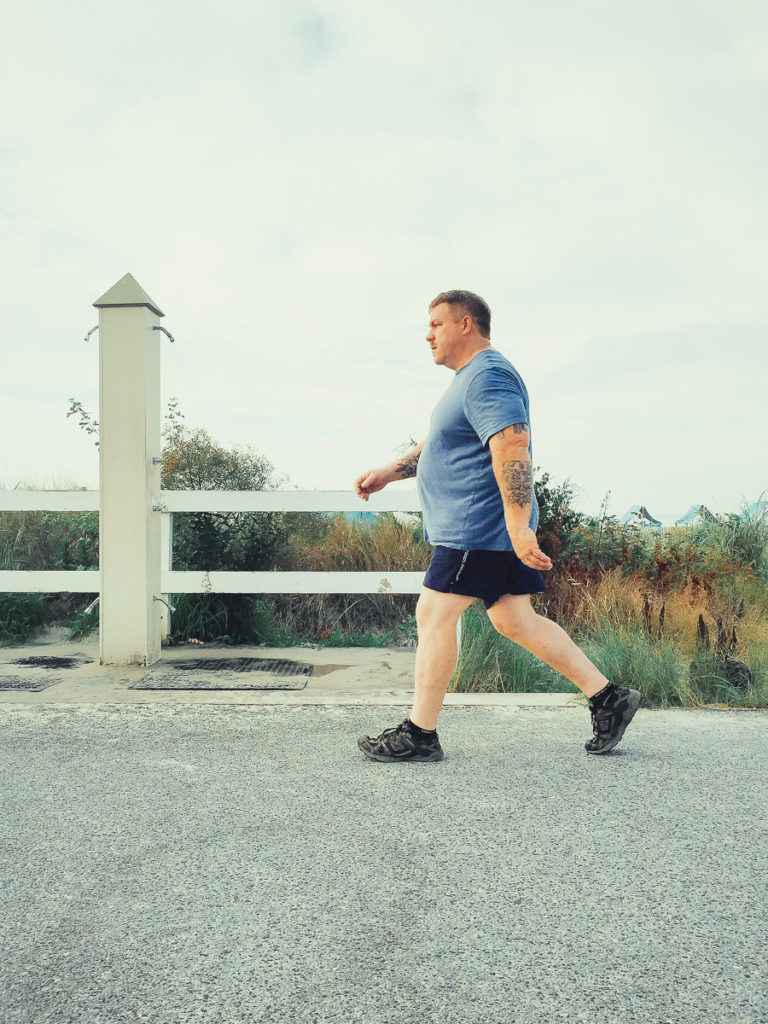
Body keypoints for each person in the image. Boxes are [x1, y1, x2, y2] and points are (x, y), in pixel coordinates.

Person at [354, 289, 641, 763]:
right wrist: (390, 472)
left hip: (476, 528)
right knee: (514, 619)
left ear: (466, 324)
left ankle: (419, 735)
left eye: (436, 325)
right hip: (489, 529)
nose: (428, 336)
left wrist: (517, 525)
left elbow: (513, 446)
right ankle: (608, 697)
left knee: (434, 614)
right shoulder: (470, 381)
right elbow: (444, 445)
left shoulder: (488, 376)